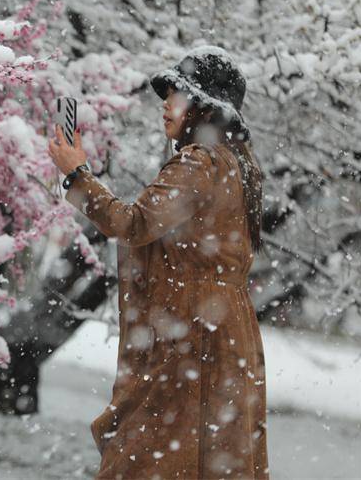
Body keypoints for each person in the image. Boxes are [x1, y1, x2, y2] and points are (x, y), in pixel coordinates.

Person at [47, 46, 269, 479]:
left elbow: (134, 224)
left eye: (178, 95)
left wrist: (76, 176)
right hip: (222, 330)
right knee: (212, 458)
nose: (167, 105)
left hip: (190, 333)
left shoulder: (200, 160)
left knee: (148, 458)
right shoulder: (233, 163)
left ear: (206, 108)